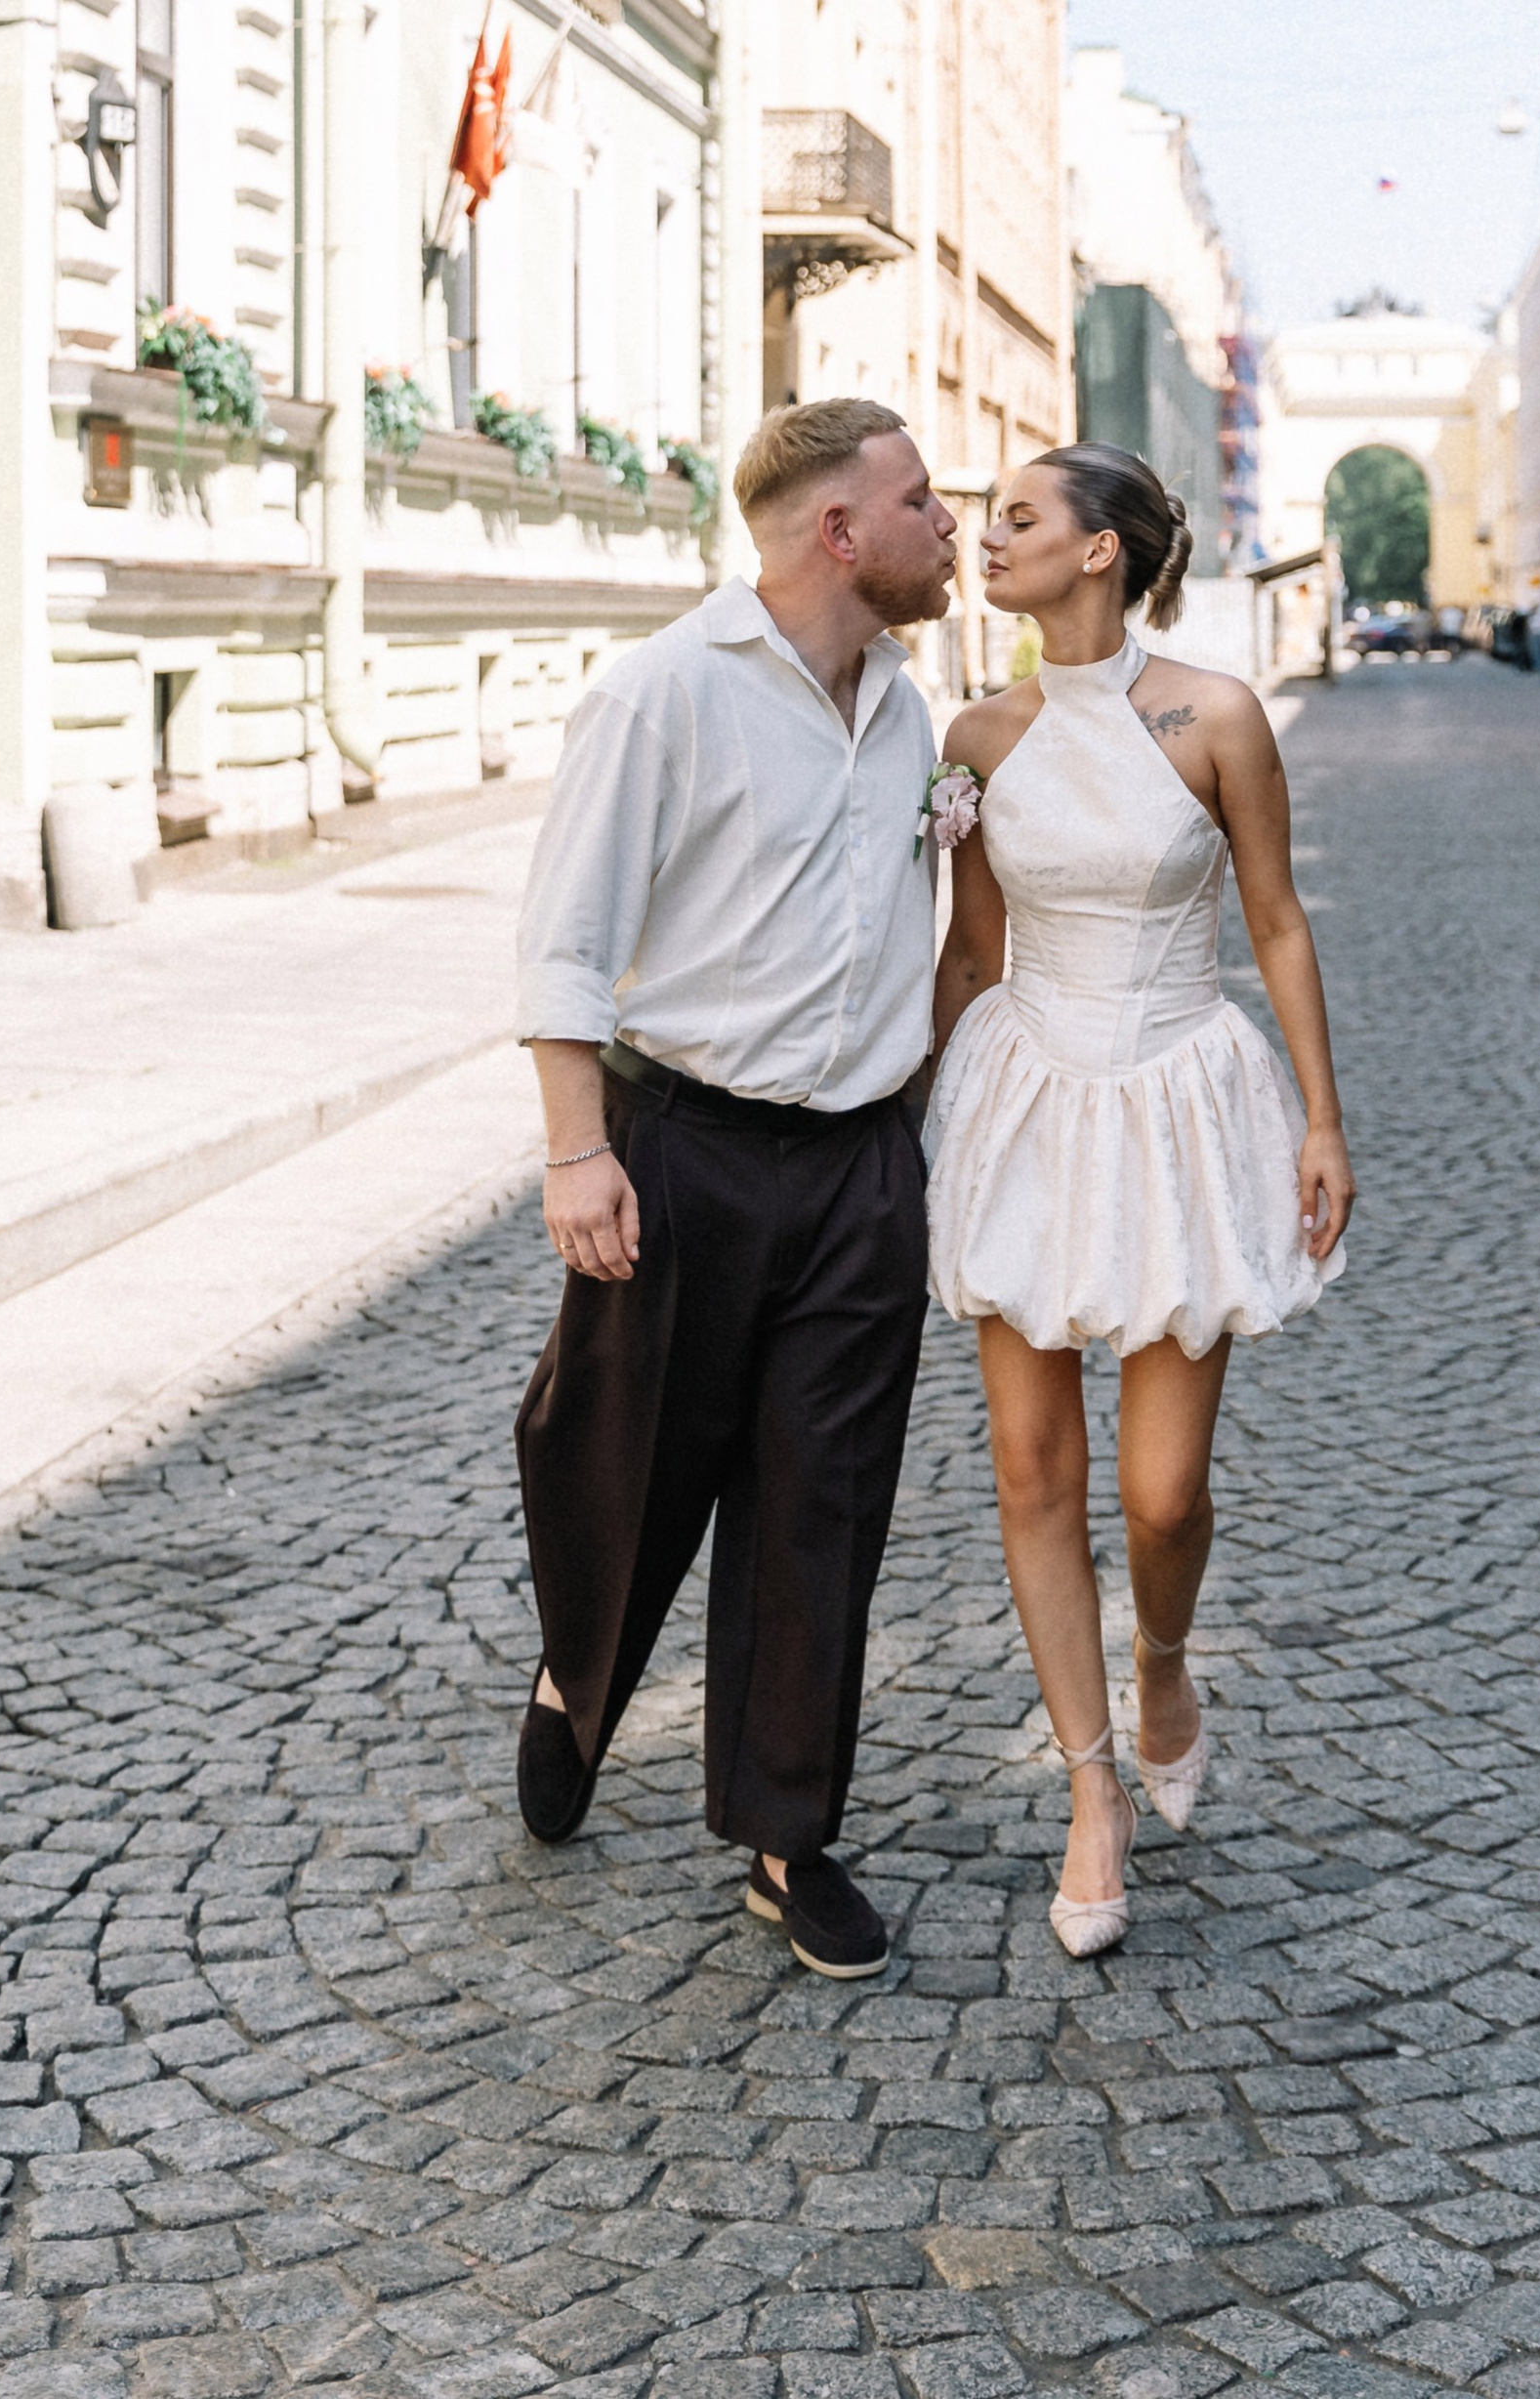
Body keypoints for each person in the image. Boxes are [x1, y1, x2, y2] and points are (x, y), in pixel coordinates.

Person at [510, 400, 958, 1983]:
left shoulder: (913, 709)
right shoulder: (660, 696)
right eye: (922, 499)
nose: (950, 522)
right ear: (841, 532)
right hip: (680, 1140)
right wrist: (580, 1151)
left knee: (819, 1500)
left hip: (857, 1163)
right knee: (621, 1455)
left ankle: (786, 1830)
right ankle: (580, 1675)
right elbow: (564, 939)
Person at [925, 444, 1353, 1959]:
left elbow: (1278, 919)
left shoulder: (1217, 716)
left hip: (1182, 1099)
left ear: (1103, 552)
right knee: (1034, 1474)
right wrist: (906, 1128)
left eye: (1020, 521)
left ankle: (1164, 1657)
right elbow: (971, 953)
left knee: (1163, 1493)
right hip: (1026, 1097)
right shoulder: (975, 734)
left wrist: (1321, 1118)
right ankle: (1090, 1791)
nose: (985, 541)